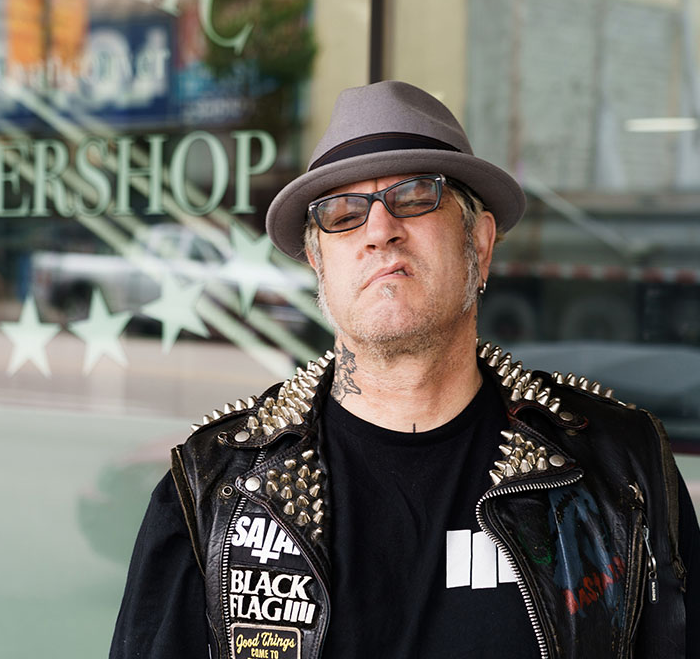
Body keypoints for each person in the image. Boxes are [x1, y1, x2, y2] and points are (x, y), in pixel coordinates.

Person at [110, 81, 699, 658]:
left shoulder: (620, 470)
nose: (379, 230)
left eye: (416, 196)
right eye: (342, 212)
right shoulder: (215, 493)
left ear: (481, 242)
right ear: (319, 262)